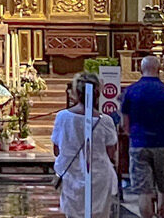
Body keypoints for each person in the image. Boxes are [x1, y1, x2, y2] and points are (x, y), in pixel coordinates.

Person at [119, 54, 164, 218]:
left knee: (143, 191)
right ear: (159, 69)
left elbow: (124, 123)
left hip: (139, 143)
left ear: (141, 68)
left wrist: (133, 136)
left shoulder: (131, 91)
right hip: (163, 144)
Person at [52, 72, 118, 218]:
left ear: (75, 92)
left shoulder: (62, 117)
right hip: (99, 175)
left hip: (72, 175)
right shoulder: (106, 121)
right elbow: (111, 152)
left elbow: (57, 150)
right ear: (98, 93)